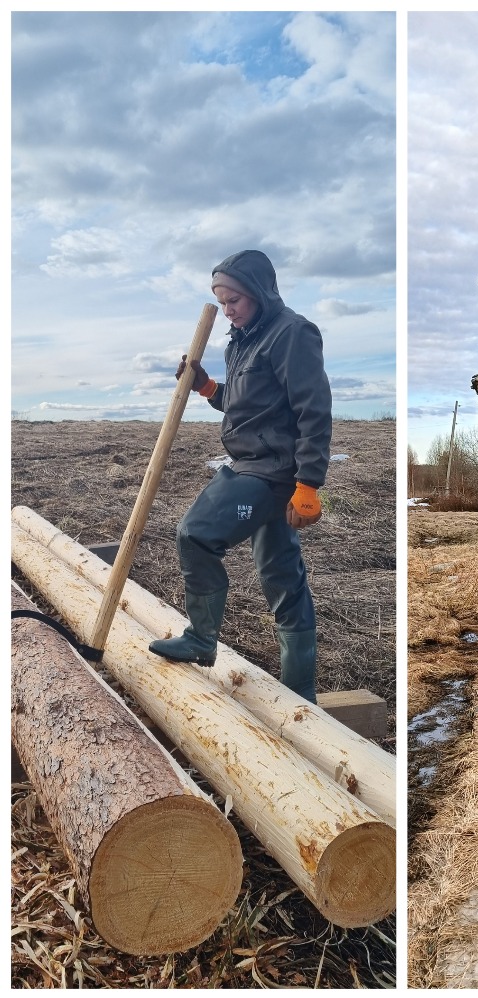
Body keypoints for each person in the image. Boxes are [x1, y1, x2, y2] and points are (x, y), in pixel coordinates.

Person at [148, 250, 333, 704]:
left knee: (196, 534)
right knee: (281, 577)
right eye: (221, 300)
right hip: (256, 465)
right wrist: (209, 388)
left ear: (261, 293)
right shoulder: (242, 341)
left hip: (268, 474)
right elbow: (247, 402)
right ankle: (300, 693)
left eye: (235, 300)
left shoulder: (292, 333)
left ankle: (200, 638)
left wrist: (309, 483)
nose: (228, 309)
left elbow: (314, 409)